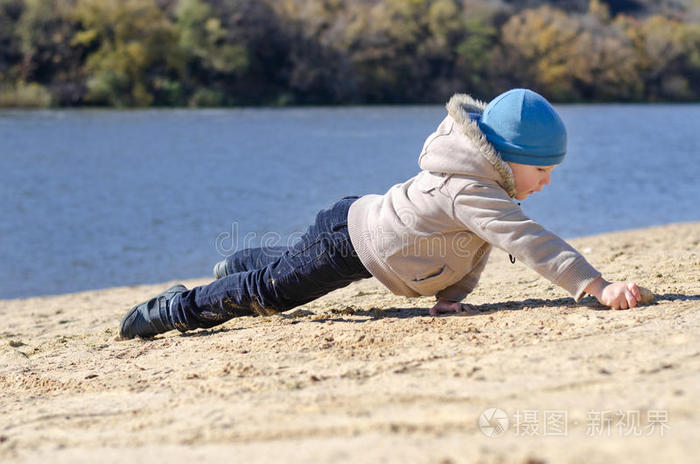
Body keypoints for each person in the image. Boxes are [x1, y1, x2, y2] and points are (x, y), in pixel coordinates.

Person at [119, 89, 642, 339]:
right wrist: (596, 286)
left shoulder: (486, 191)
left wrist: (449, 297)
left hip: (362, 237)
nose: (547, 181)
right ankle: (175, 309)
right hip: (351, 239)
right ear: (506, 159)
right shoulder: (473, 190)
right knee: (272, 293)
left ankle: (238, 264)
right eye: (542, 170)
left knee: (286, 265)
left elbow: (471, 248)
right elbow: (530, 242)